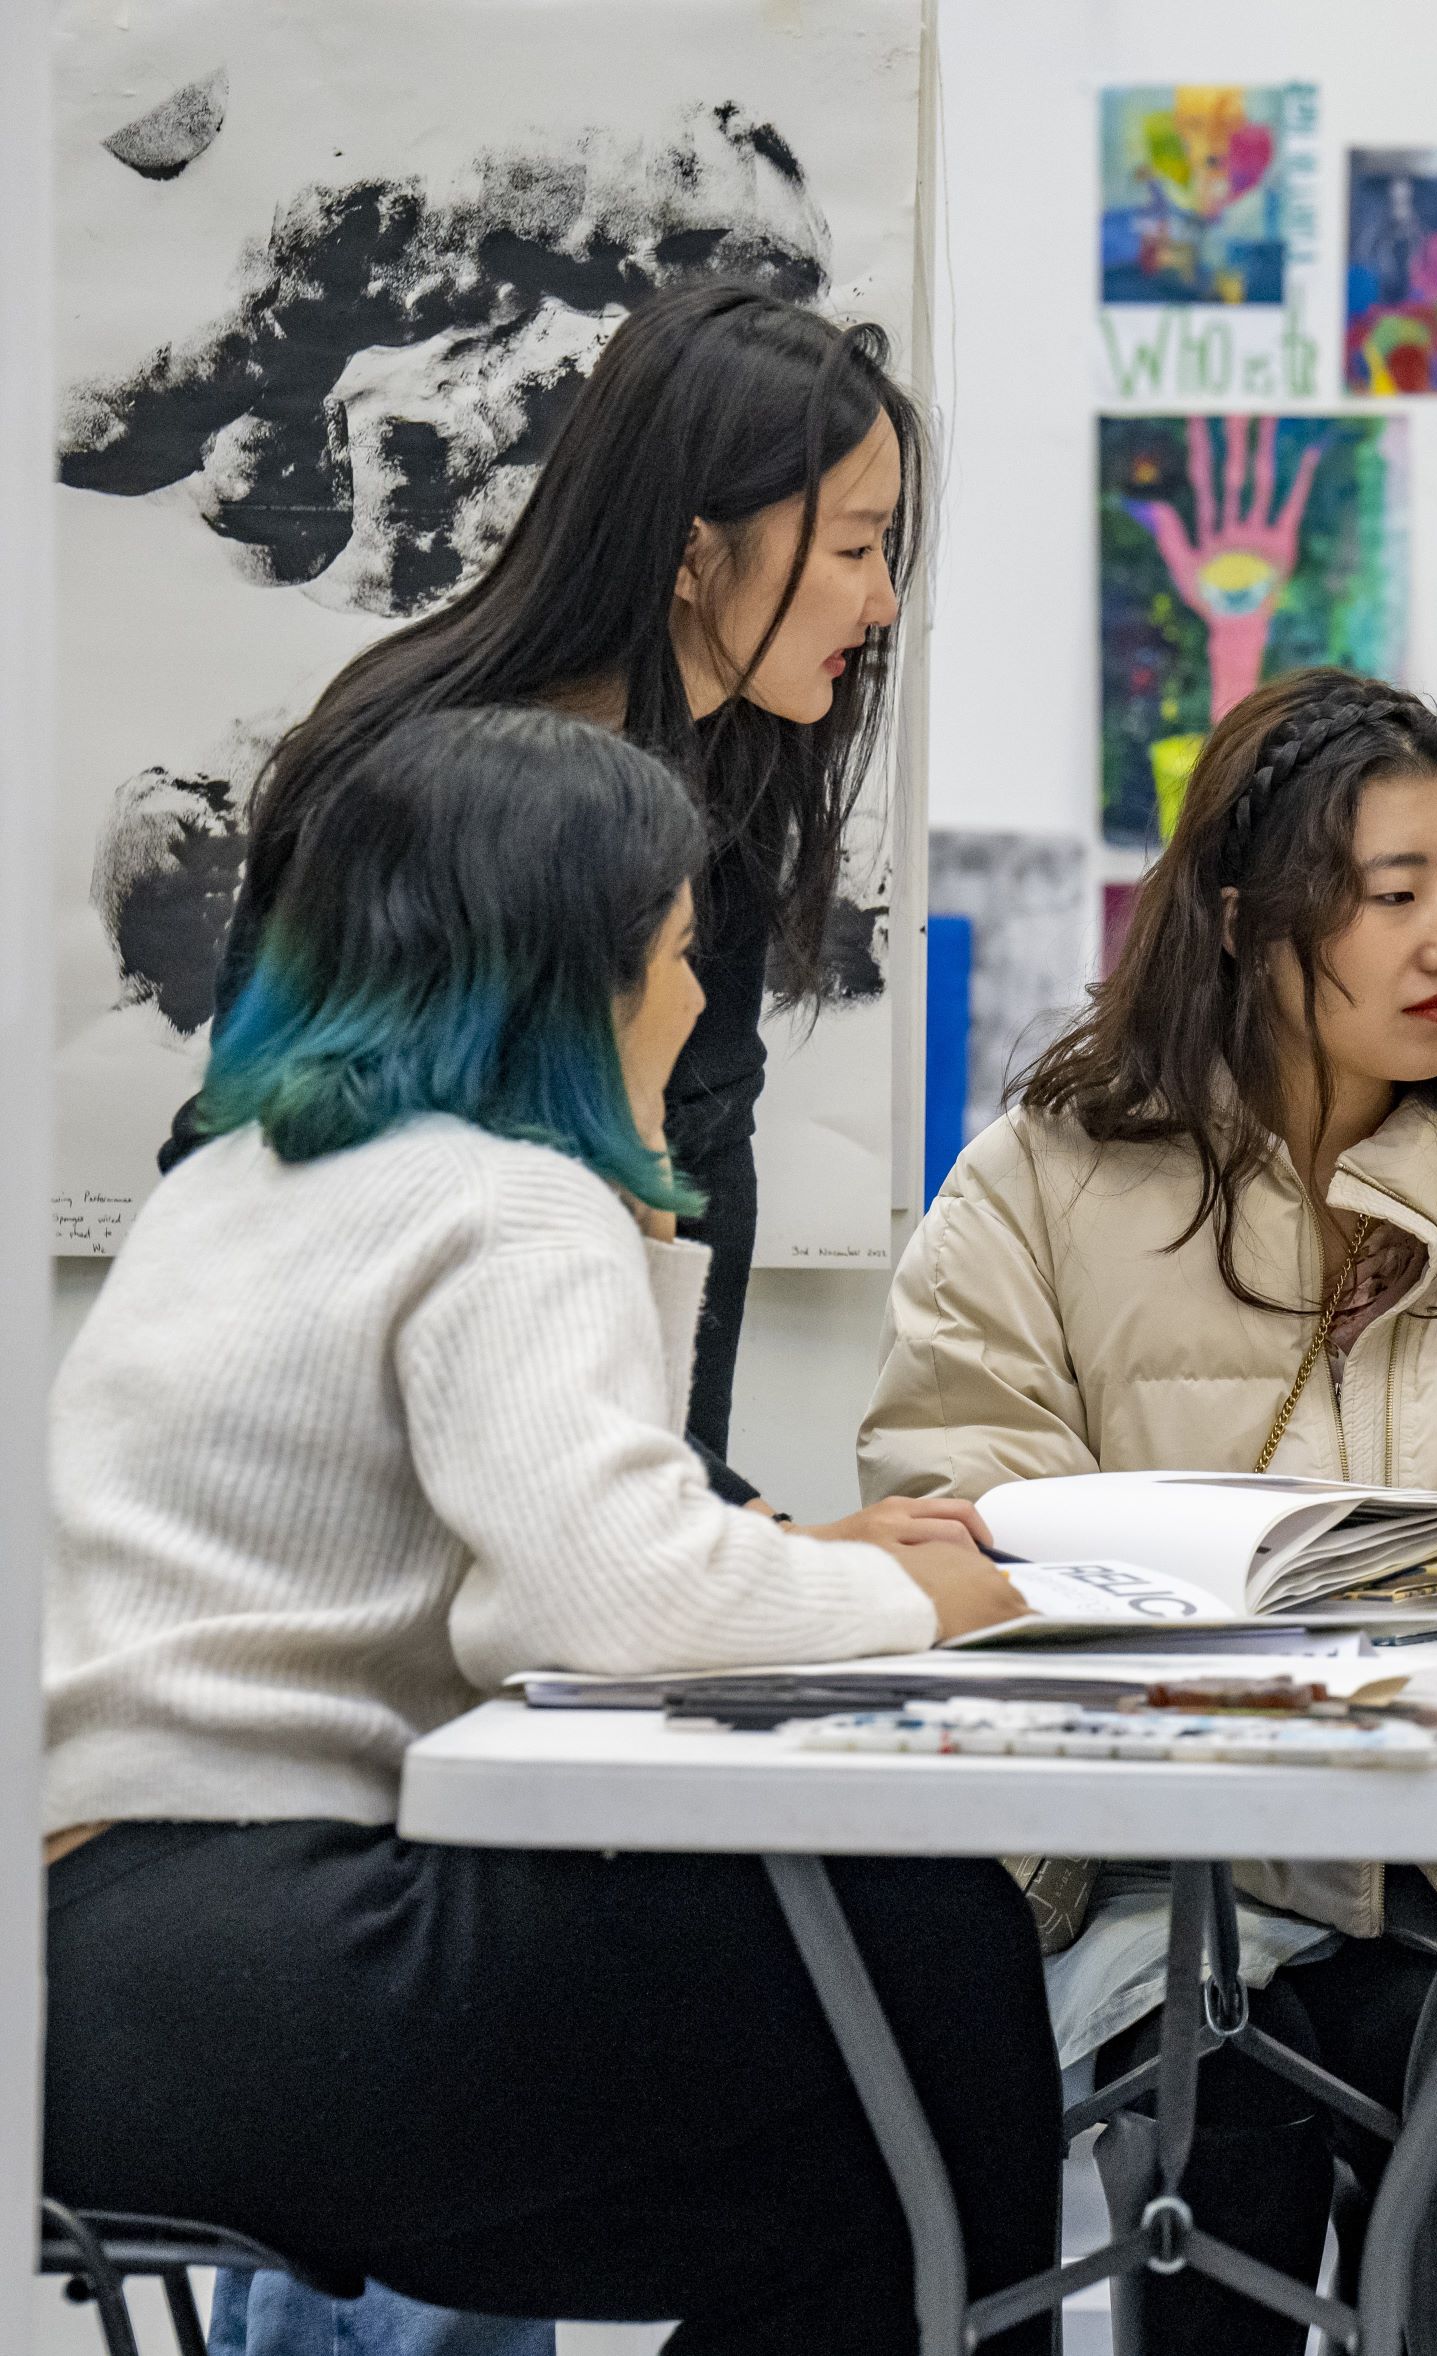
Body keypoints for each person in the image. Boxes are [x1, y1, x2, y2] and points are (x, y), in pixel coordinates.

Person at [44, 708, 1054, 2352]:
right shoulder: (509, 1195)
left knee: (847, 2202)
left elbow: (551, 1540)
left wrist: (801, 1546)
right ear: (571, 973)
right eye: (674, 952)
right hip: (272, 1957)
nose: (699, 1000)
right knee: (930, 1935)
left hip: (91, 1984)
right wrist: (936, 1599)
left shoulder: (243, 1177)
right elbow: (605, 1608)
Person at [858, 671, 1437, 2354]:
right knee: (1221, 2121)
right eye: (1390, 893)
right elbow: (952, 1517)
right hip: (1148, 1858)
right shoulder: (1046, 1178)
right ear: (1244, 917)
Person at [172, 278, 925, 1508]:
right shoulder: (416, 791)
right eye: (852, 547)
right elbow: (306, 1198)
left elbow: (697, 1160)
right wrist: (733, 1540)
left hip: (584, 1514)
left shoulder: (729, 767)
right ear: (693, 551)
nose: (884, 598)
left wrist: (716, 1518)